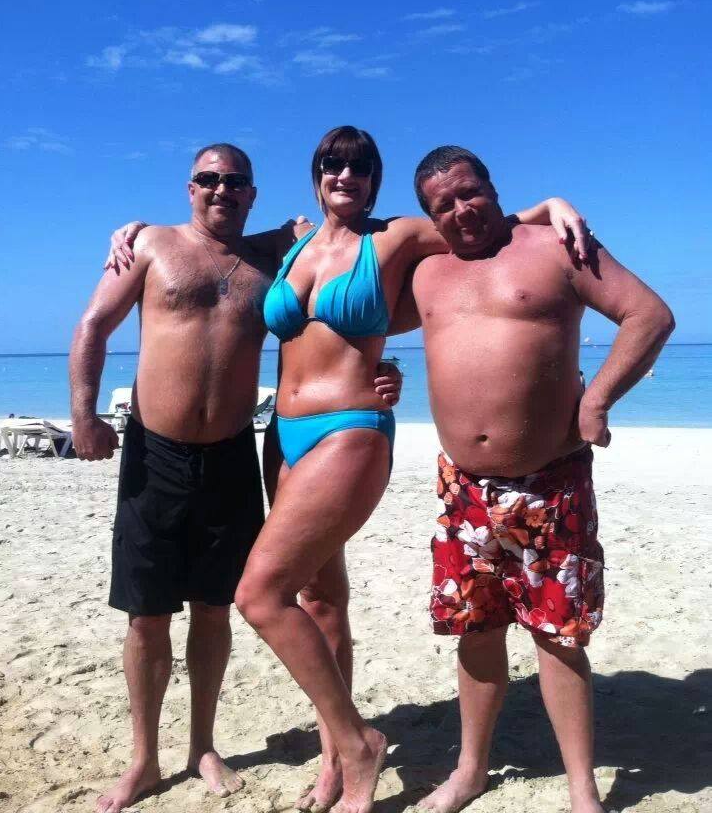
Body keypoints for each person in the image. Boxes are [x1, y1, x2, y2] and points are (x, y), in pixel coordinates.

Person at [229, 126, 592, 813]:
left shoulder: (395, 236)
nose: (345, 174)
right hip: (283, 433)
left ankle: (358, 744)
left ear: (374, 179)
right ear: (315, 173)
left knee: (259, 594)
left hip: (348, 429)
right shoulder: (297, 242)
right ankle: (334, 764)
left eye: (360, 166)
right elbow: (219, 244)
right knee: (319, 599)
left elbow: (480, 224)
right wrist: (136, 230)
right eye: (332, 163)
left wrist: (552, 205)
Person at [70, 141, 404, 813]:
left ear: (253, 193)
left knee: (215, 608)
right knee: (146, 615)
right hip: (155, 454)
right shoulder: (149, 244)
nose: (220, 189)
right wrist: (83, 416)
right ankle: (143, 759)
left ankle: (203, 744)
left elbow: (344, 297)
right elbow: (94, 325)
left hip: (231, 456)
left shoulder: (278, 253)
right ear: (189, 187)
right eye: (208, 179)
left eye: (235, 181)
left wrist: (385, 368)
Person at [388, 146, 674, 813]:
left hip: (552, 483)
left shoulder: (555, 248)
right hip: (463, 490)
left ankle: (582, 791)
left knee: (559, 634)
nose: (461, 210)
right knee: (476, 630)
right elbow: (353, 324)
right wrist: (379, 380)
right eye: (443, 205)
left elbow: (649, 315)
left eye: (470, 193)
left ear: (492, 188)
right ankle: (470, 771)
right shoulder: (427, 271)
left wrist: (597, 399)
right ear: (429, 216)